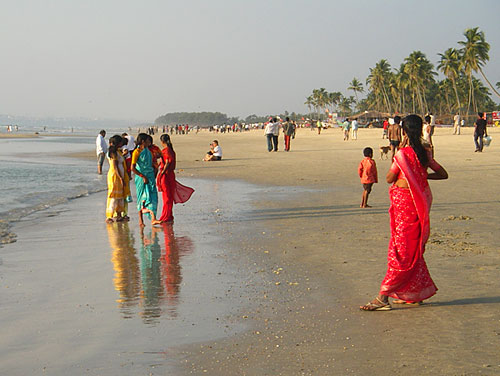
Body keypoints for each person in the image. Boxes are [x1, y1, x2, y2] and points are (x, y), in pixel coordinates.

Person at [360, 114, 448, 311]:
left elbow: (390, 177)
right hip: (418, 203)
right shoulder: (426, 152)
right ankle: (414, 293)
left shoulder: (403, 154)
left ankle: (383, 297)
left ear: (404, 130)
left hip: (405, 203)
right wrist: (421, 177)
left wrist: (413, 176)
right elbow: (442, 174)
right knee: (413, 246)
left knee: (401, 250)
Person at [153, 134, 194, 224]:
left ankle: (165, 217)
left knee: (166, 197)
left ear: (162, 141)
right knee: (169, 196)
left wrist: (162, 172)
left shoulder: (166, 151)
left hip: (166, 175)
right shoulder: (171, 150)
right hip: (170, 174)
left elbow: (167, 162)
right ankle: (169, 215)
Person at [131, 133, 158, 227]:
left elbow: (151, 164)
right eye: (147, 141)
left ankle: (153, 218)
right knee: (141, 197)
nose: (149, 143)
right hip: (141, 177)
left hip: (150, 176)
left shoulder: (149, 151)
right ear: (143, 141)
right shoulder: (136, 152)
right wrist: (142, 176)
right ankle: (141, 220)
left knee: (152, 196)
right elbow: (133, 168)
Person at [105, 135, 126, 223]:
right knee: (113, 195)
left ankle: (119, 214)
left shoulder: (118, 151)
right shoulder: (113, 152)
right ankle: (109, 216)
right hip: (115, 175)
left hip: (119, 175)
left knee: (120, 196)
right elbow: (114, 166)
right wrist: (120, 177)